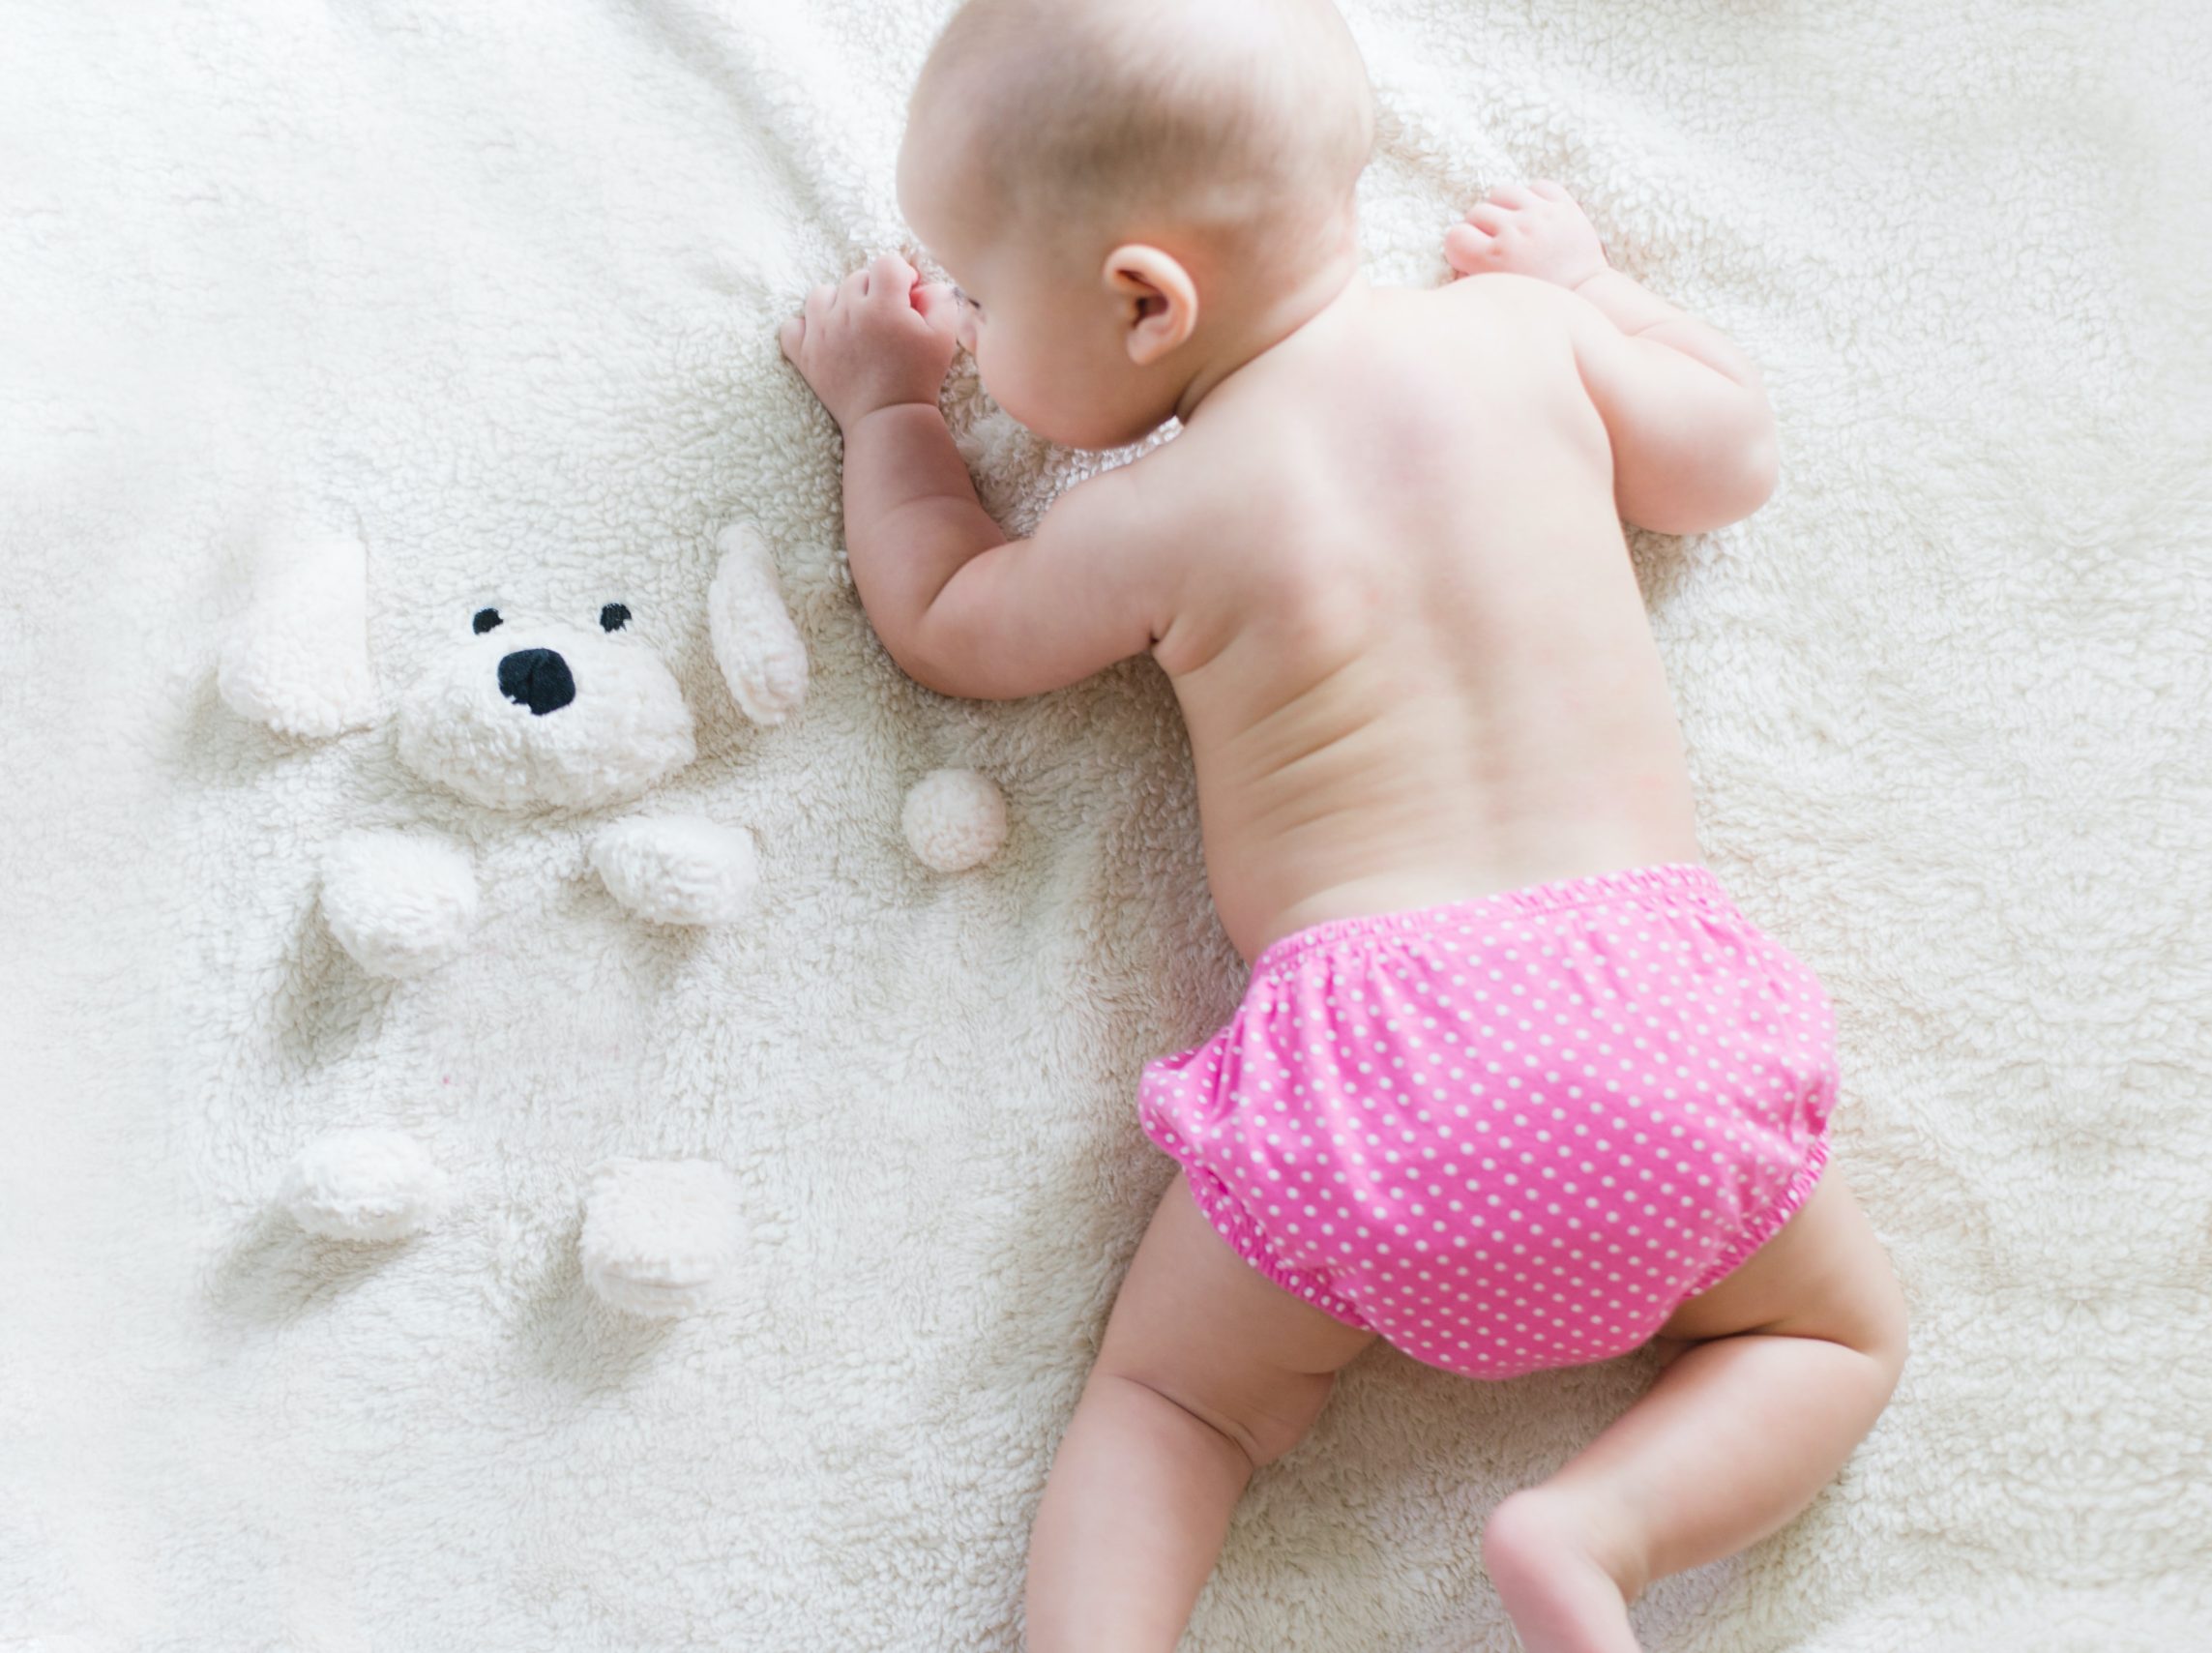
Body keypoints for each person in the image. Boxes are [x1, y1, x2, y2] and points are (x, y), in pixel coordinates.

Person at [775, 2, 1908, 1647]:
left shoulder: (1158, 512)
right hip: (1657, 1034)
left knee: (1177, 1407)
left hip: (1382, 1086)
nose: (956, 322)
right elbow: (1729, 456)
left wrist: (891, 414)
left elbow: (951, 617)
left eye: (981, 298)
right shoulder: (1522, 342)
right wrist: (1590, 287)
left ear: (1142, 301)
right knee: (1835, 1341)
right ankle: (1596, 1532)